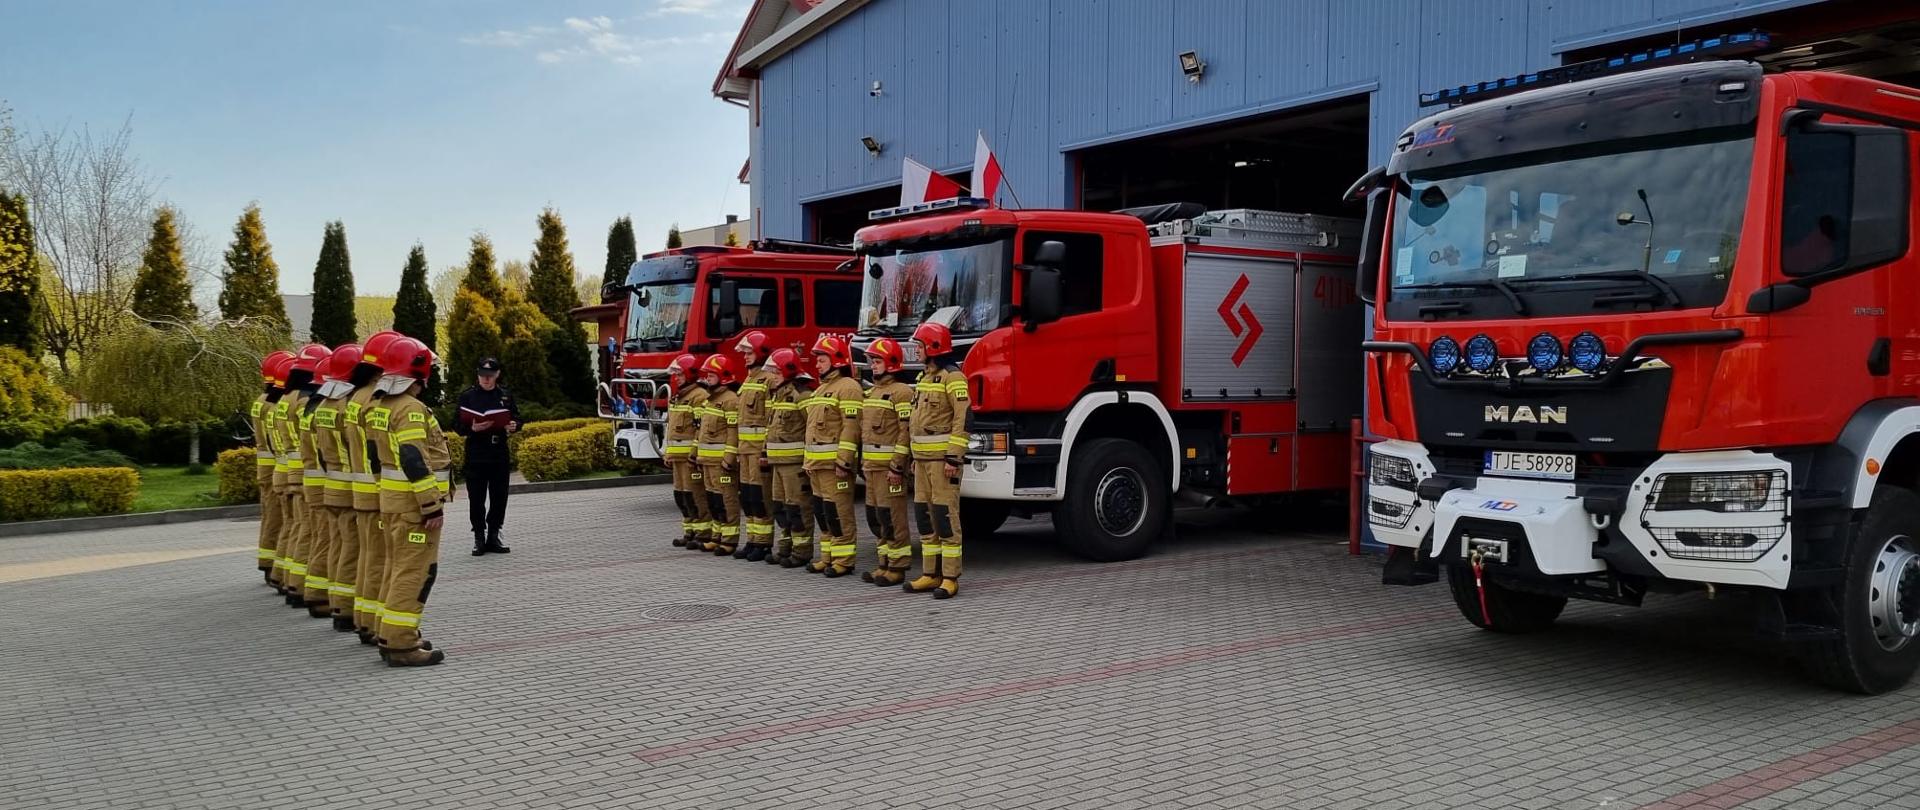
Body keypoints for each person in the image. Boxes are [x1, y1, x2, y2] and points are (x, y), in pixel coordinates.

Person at [370, 336, 453, 667]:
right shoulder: (409, 409)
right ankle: (402, 644)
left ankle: (388, 634)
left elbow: (375, 458)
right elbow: (413, 458)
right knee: (415, 573)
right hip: (413, 508)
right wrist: (431, 505)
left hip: (393, 503)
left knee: (395, 569)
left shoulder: (380, 407)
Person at [905, 322, 968, 599]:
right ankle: (930, 574)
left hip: (943, 463)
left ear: (933, 347)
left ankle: (950, 577)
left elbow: (962, 419)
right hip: (922, 461)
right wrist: (914, 457)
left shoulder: (953, 378)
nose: (916, 351)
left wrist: (953, 457)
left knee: (945, 518)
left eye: (919, 346)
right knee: (925, 518)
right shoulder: (924, 378)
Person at [348, 331, 402, 645]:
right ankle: (374, 625)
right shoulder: (375, 400)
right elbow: (379, 450)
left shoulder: (354, 398)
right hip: (377, 489)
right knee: (380, 560)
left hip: (359, 486)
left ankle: (364, 620)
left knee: (368, 556)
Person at [310, 343, 364, 631]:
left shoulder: (323, 407)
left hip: (331, 483)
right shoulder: (347, 407)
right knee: (353, 549)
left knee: (336, 544)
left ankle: (334, 602)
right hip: (350, 488)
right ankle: (344, 608)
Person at [803, 335, 864, 577]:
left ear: (836, 359)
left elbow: (851, 428)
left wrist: (844, 461)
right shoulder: (821, 389)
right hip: (817, 465)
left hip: (834, 466)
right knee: (823, 512)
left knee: (839, 512)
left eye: (822, 360)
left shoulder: (848, 388)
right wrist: (808, 461)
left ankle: (844, 560)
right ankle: (827, 557)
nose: (817, 364)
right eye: (817, 360)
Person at [859, 338, 915, 585]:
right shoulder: (871, 392)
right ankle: (883, 563)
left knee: (893, 517)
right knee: (877, 517)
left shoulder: (902, 392)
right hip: (871, 468)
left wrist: (897, 466)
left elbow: (905, 432)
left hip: (889, 470)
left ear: (891, 362)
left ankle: (898, 566)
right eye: (872, 361)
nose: (873, 365)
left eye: (877, 361)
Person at [455, 357, 520, 555]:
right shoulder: (468, 396)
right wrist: (472, 428)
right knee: (476, 497)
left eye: (490, 375)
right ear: (478, 375)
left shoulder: (505, 396)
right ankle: (479, 537)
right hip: (477, 451)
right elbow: (457, 425)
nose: (486, 379)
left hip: (498, 451)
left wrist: (515, 425)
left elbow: (517, 417)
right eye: (483, 375)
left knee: (499, 496)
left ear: (497, 375)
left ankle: (494, 534)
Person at [293, 343, 336, 618]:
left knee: (310, 534)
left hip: (309, 479)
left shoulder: (307, 406)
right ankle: (318, 595)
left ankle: (300, 585)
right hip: (327, 484)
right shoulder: (320, 408)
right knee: (325, 539)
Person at [763, 347, 815, 568]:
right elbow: (772, 429)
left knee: (797, 508)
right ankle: (785, 548)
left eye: (776, 372)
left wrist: (809, 461)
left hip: (794, 465)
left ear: (788, 370)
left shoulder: (802, 395)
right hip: (777, 463)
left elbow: (812, 429)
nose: (773, 377)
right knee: (781, 508)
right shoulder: (779, 395)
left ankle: (801, 552)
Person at [731, 332, 778, 560]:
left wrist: (766, 450)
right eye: (745, 353)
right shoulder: (749, 380)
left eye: (749, 353)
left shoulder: (769, 380)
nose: (745, 357)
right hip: (745, 451)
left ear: (761, 352)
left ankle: (763, 543)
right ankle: (752, 540)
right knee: (748, 498)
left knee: (761, 498)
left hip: (758, 451)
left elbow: (771, 418)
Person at [252, 350, 295, 585]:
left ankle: (269, 561)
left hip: (270, 467)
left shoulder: (263, 401)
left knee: (272, 516)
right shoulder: (275, 405)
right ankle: (272, 565)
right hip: (279, 466)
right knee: (278, 519)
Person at [695, 354, 744, 556]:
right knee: (714, 499)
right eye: (707, 375)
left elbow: (733, 432)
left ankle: (729, 540)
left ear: (723, 376)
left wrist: (728, 459)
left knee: (727, 500)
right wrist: (697, 456)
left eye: (711, 375)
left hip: (721, 464)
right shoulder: (710, 401)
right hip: (707, 461)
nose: (707, 379)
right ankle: (717, 536)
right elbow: (701, 432)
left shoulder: (730, 400)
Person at [664, 353, 712, 549]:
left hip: (690, 459)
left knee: (695, 495)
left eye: (680, 374)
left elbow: (701, 428)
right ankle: (689, 531)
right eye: (676, 375)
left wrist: (694, 452)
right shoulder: (678, 396)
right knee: (681, 496)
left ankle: (703, 533)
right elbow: (671, 427)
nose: (676, 378)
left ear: (690, 374)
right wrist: (668, 452)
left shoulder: (699, 396)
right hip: (677, 458)